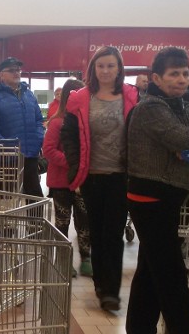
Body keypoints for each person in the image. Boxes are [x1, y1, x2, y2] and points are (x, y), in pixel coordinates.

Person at [125, 47, 189, 334]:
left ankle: (139, 328)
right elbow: (184, 136)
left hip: (166, 199)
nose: (181, 79)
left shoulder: (180, 107)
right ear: (156, 77)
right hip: (150, 199)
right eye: (174, 74)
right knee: (172, 277)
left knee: (150, 273)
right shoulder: (151, 108)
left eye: (185, 74)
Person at [60, 46, 138, 311]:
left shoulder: (131, 95)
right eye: (101, 66)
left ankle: (111, 291)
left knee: (113, 234)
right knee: (97, 232)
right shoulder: (79, 98)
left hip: (120, 176)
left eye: (111, 66)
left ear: (119, 69)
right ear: (93, 69)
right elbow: (68, 135)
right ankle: (101, 284)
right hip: (91, 176)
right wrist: (74, 164)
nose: (105, 71)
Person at [42, 78, 92, 278]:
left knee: (84, 221)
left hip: (82, 181)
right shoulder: (57, 122)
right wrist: (74, 162)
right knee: (62, 222)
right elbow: (48, 150)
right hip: (62, 182)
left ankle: (86, 258)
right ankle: (63, 260)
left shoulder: (87, 122)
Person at [0, 57, 44, 198]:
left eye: (18, 70)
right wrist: (5, 145)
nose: (16, 73)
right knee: (7, 196)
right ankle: (5, 221)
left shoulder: (29, 94)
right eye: (11, 70)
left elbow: (38, 120)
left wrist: (38, 139)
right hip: (7, 156)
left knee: (34, 196)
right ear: (1, 75)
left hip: (30, 153)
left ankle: (35, 221)